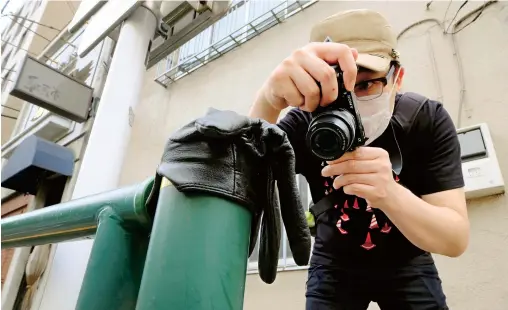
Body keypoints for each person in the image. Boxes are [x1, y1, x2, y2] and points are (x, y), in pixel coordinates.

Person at [249, 9, 469, 310]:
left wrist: (390, 193)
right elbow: (244, 174)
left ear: (397, 78)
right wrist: (268, 100)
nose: (350, 105)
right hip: (334, 261)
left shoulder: (424, 120)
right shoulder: (302, 124)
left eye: (365, 85)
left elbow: (455, 237)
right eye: (335, 90)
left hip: (408, 256)